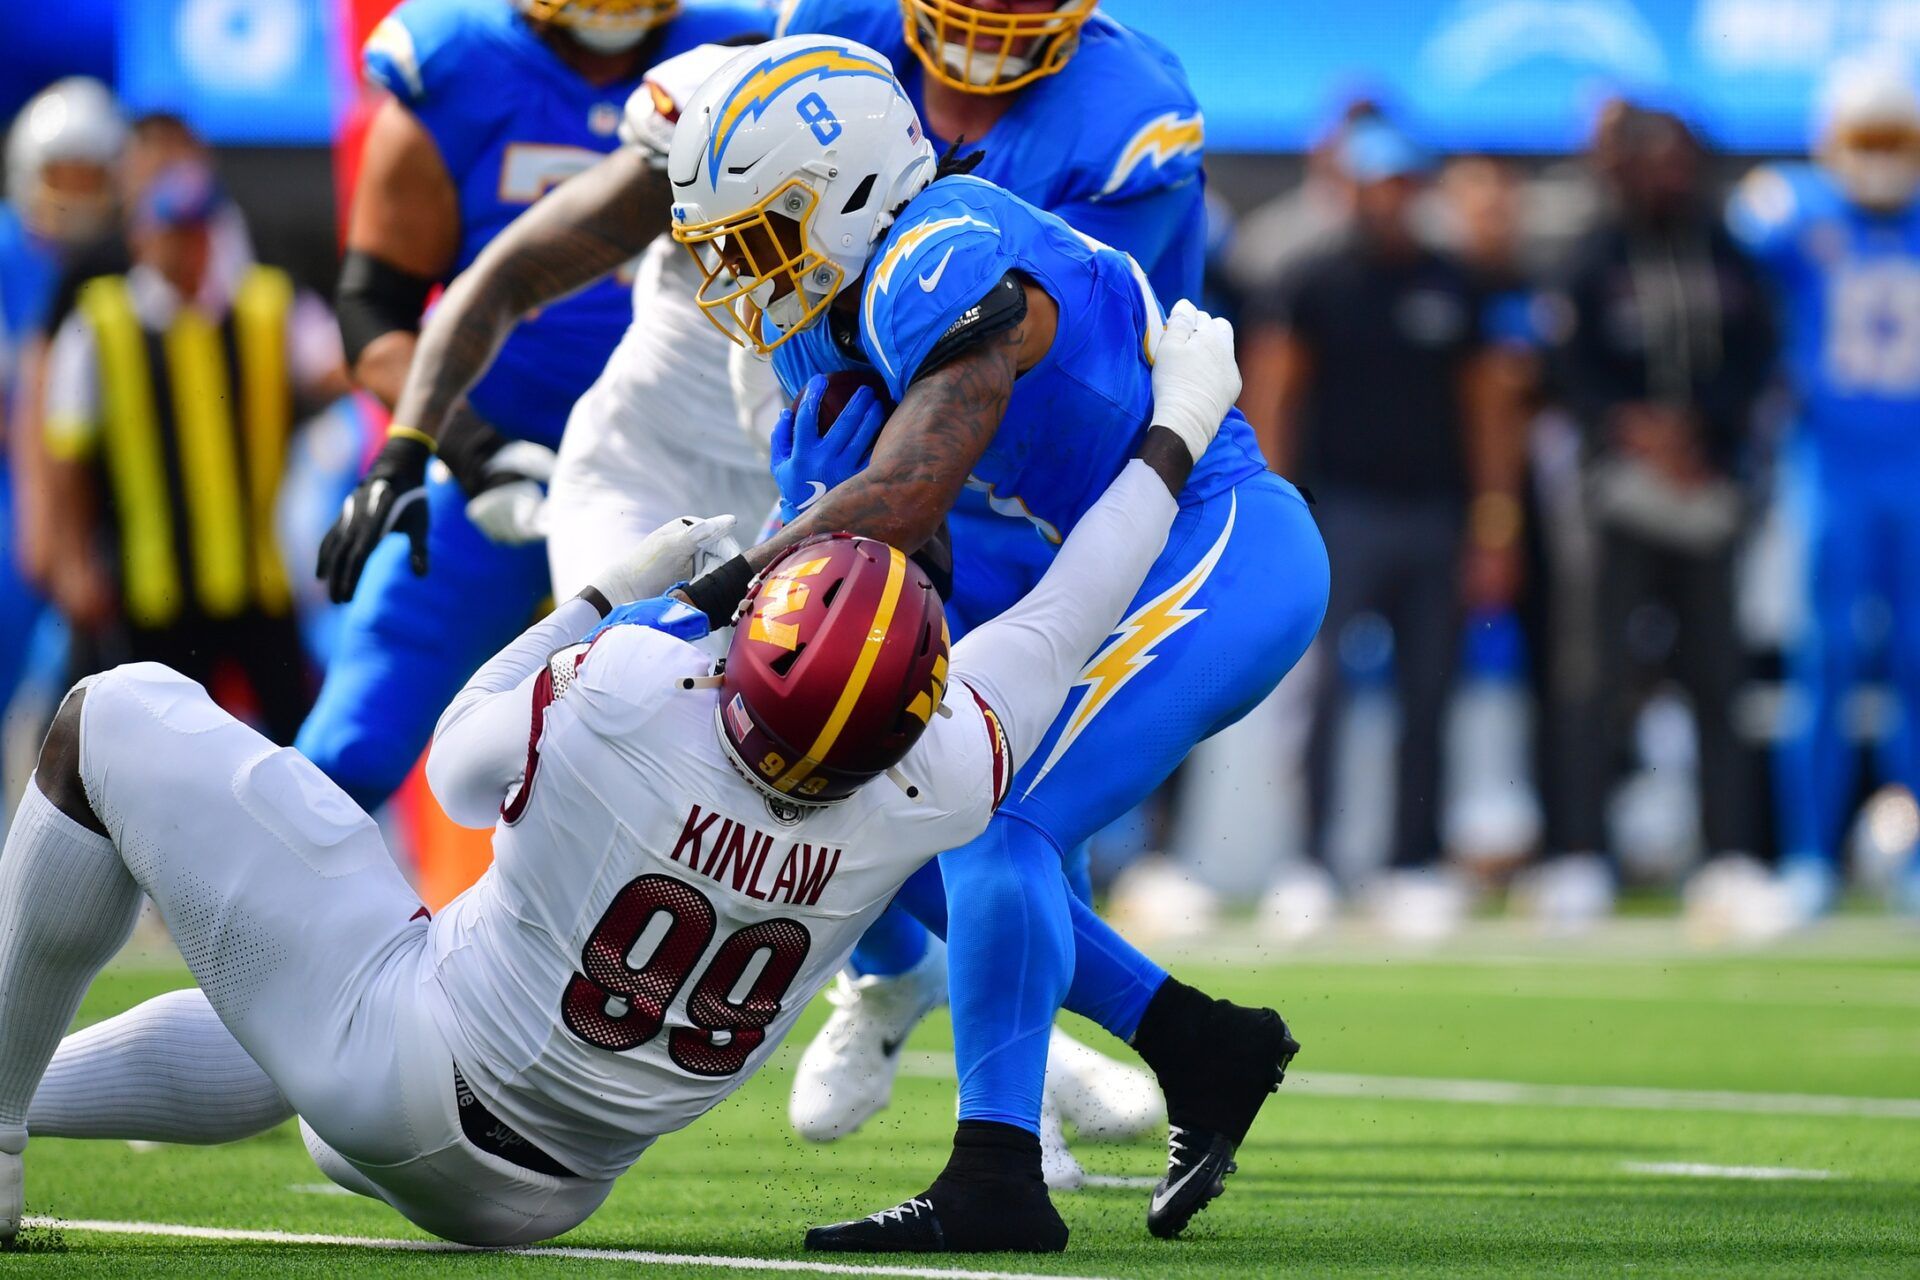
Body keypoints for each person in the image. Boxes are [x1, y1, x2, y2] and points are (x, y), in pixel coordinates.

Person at [0, 311, 1276, 1254]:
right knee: (305, 996)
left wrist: (617, 594)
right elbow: (1075, 600)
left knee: (109, 715)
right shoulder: (938, 777)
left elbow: (456, 767)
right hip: (553, 1192)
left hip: (402, 1065)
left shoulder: (626, 699)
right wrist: (1178, 423)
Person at [662, 36, 1325, 1249]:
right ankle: (1198, 1041)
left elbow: (913, 491)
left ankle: (997, 1177)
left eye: (760, 238)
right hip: (1120, 564)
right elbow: (882, 568)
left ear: (847, 191)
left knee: (991, 811)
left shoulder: (942, 244)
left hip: (1222, 544)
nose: (746, 279)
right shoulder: (836, 348)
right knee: (886, 814)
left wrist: (712, 595)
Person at [767, 0, 1209, 1166]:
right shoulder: (826, 30)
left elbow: (1038, 354)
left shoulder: (1130, 120)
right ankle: (907, 984)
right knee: (824, 760)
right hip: (849, 424)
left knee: (1009, 800)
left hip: (1025, 472)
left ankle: (1018, 1099)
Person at [299, 0, 770, 811]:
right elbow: (373, 313)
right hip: (496, 465)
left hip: (682, 466)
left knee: (765, 760)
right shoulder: (456, 67)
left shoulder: (745, 50)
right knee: (351, 747)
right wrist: (473, 453)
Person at [1239, 121, 1528, 941]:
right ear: (1353, 190)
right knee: (1320, 693)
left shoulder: (1456, 285)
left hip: (1436, 513)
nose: (1393, 200)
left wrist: (1495, 522)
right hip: (1341, 515)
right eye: (1379, 185)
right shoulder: (1312, 279)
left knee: (1429, 691)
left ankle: (1413, 863)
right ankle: (1310, 862)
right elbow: (1276, 399)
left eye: (1405, 184)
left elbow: (1489, 411)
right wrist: (1276, 511)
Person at [1552, 108, 1774, 905]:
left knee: (1718, 679)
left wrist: (1700, 432)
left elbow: (1758, 363)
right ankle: (1580, 853)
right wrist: (1633, 428)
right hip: (1620, 496)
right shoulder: (1591, 256)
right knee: (1597, 679)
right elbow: (1569, 372)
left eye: (1682, 163)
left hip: (1708, 491)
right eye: (1654, 163)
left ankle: (1730, 859)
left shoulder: (1730, 254)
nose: (1669, 178)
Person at [37, 161, 340, 743]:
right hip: (153, 584)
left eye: (199, 231)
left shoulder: (264, 306)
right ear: (141, 237)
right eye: (173, 231)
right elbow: (67, 450)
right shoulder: (101, 321)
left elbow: (331, 367)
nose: (189, 248)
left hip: (258, 577)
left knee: (292, 741)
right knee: (158, 746)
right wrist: (74, 560)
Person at [1730, 60, 1920, 920]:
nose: (1881, 158)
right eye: (1866, 139)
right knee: (1828, 664)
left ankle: (1908, 860)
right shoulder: (1797, 216)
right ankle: (1809, 856)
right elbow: (1739, 234)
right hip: (1832, 470)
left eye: (1895, 140)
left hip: (1910, 468)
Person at [1, 79, 125, 738]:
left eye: (90, 177)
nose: (75, 197)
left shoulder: (124, 255)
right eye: (62, 176)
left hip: (96, 484)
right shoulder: (9, 256)